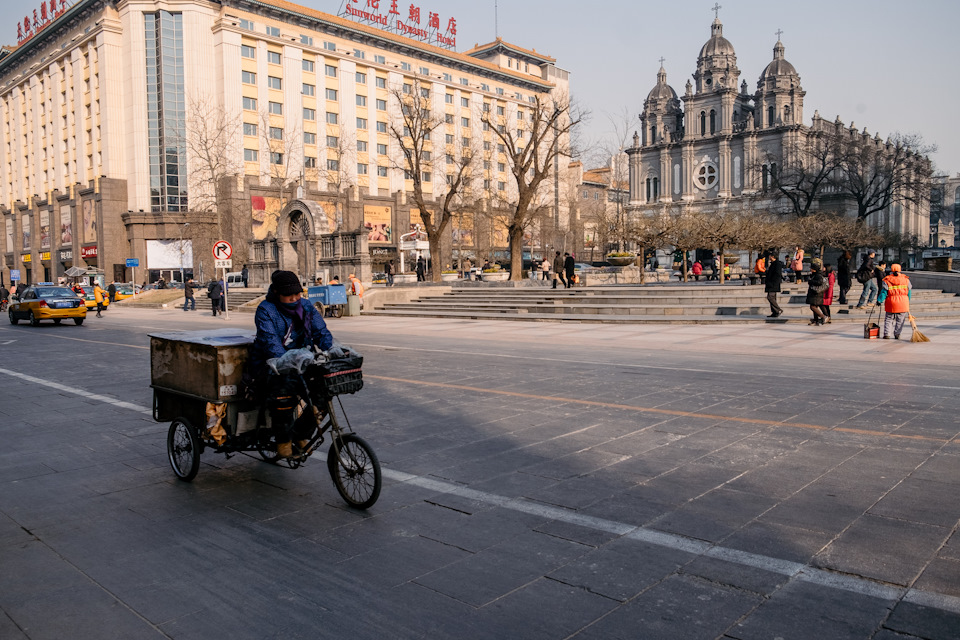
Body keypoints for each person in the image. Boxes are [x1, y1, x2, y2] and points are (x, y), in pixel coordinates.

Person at [249, 270, 335, 459]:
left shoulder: (306, 306)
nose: (295, 298)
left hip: (303, 361)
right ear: (277, 293)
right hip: (271, 364)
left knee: (323, 394)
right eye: (290, 295)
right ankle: (283, 439)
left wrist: (334, 350)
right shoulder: (266, 309)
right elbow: (271, 343)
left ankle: (301, 435)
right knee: (284, 393)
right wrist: (290, 362)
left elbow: (320, 332)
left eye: (298, 294)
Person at [877, 263, 912, 340]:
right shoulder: (906, 279)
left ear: (891, 270)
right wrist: (907, 301)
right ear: (900, 270)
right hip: (903, 302)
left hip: (891, 302)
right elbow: (909, 292)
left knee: (889, 319)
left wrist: (879, 300)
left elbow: (884, 292)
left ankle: (887, 334)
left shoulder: (887, 280)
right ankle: (897, 334)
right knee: (900, 320)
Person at [804, 260, 828, 326]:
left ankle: (823, 317)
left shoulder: (818, 275)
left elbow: (819, 282)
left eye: (811, 268)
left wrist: (811, 282)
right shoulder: (815, 274)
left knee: (812, 307)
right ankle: (816, 321)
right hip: (815, 293)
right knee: (815, 307)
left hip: (816, 294)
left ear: (814, 269)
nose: (810, 270)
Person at [765, 252, 784, 318]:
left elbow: (777, 274)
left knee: (770, 297)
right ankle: (774, 312)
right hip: (771, 283)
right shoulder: (773, 264)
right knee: (773, 297)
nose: (769, 257)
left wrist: (772, 280)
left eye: (770, 256)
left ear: (772, 256)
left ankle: (778, 309)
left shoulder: (777, 264)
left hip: (773, 283)